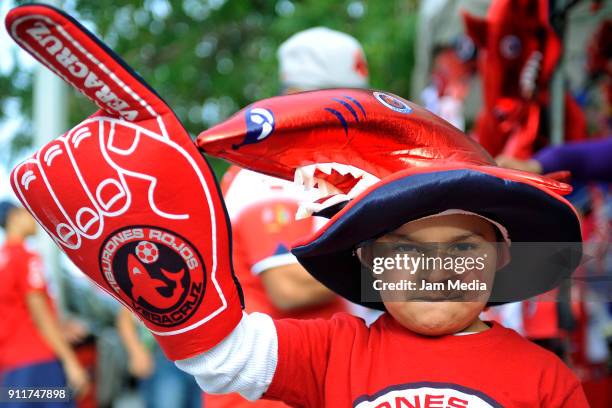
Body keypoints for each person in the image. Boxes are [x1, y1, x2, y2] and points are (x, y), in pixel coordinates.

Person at [5, 6, 588, 407]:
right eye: (406, 252)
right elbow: (227, 353)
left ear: (500, 258)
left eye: (461, 249)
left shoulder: (544, 378)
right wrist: (157, 267)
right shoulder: (337, 349)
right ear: (370, 260)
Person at [206, 26, 373, 408]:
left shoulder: (317, 169)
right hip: (264, 395)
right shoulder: (270, 169)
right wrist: (396, 263)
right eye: (346, 103)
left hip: (307, 387)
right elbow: (289, 288)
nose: (357, 118)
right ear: (301, 97)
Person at [0, 201, 89, 407]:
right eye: (29, 214)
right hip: (39, 364)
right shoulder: (27, 258)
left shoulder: (4, 261)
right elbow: (39, 314)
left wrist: (60, 328)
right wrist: (71, 362)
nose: (35, 221)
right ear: (15, 217)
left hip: (11, 370)